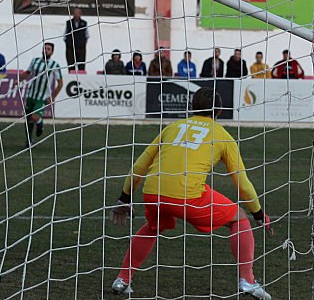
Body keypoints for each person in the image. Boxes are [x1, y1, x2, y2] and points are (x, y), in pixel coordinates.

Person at [109, 87, 273, 299]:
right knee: (240, 218)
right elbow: (242, 184)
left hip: (153, 192)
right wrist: (259, 214)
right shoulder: (223, 136)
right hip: (187, 196)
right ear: (219, 111)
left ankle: (122, 279)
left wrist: (124, 197)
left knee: (152, 227)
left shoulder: (172, 127)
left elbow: (140, 165)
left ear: (191, 107)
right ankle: (248, 281)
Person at [19, 43, 64, 147]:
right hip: (31, 94)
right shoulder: (35, 61)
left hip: (42, 97)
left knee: (35, 117)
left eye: (48, 49)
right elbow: (27, 72)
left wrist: (52, 96)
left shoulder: (54, 65)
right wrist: (19, 80)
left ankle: (40, 124)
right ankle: (29, 140)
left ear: (52, 52)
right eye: (45, 48)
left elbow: (60, 83)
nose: (46, 50)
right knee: (28, 118)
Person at [64, 7, 89, 72]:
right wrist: (69, 44)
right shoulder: (69, 23)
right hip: (70, 49)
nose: (76, 15)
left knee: (81, 67)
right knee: (71, 66)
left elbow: (87, 36)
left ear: (80, 14)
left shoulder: (84, 23)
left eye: (78, 13)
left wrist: (82, 45)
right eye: (75, 13)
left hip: (81, 49)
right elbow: (65, 36)